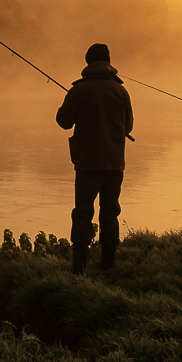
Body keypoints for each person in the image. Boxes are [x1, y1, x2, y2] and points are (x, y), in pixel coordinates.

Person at [56, 42, 134, 273]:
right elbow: (128, 125)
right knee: (110, 213)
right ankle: (108, 266)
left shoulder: (79, 90)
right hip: (114, 164)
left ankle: (78, 267)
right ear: (109, 62)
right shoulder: (121, 91)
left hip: (87, 163)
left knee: (83, 212)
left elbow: (63, 122)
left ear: (87, 62)